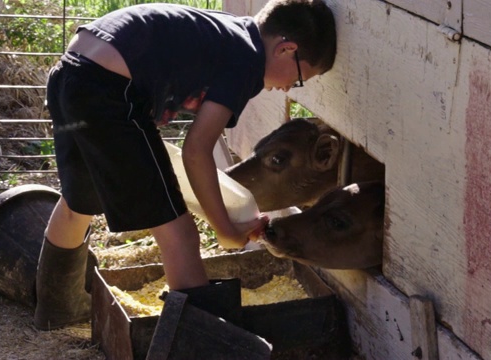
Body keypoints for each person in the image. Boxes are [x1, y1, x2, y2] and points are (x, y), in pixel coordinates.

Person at [35, 0, 337, 330]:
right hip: (109, 90)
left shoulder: (228, 32)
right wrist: (224, 229)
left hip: (73, 73)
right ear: (285, 49)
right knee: (179, 233)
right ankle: (198, 342)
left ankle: (57, 312)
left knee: (78, 203)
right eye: (299, 79)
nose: (287, 88)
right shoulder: (246, 59)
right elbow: (196, 150)